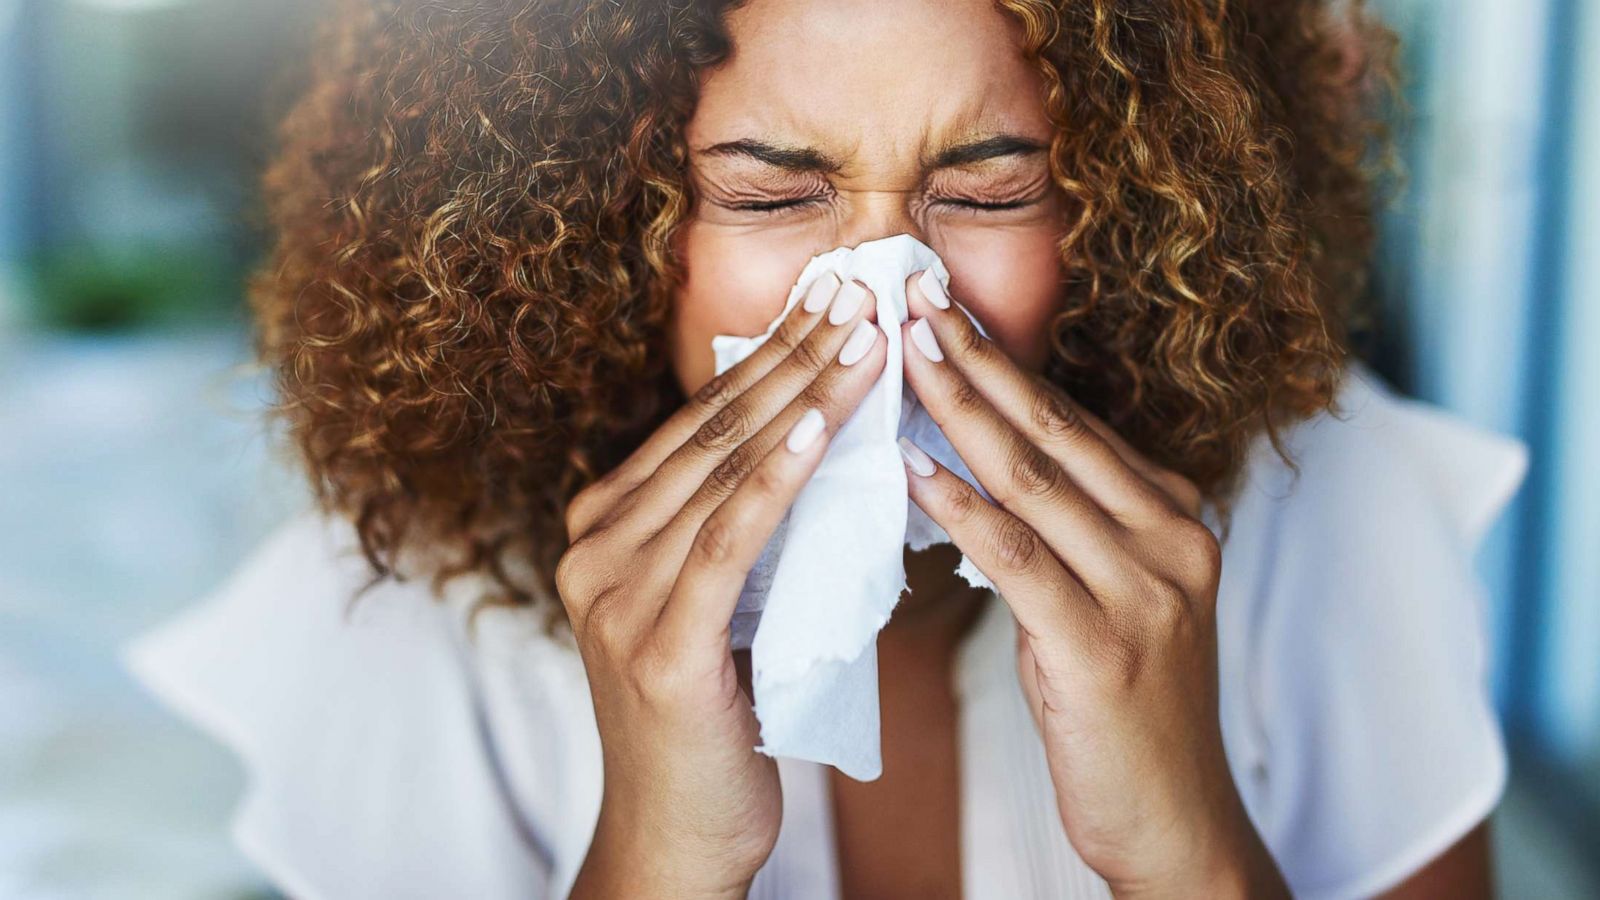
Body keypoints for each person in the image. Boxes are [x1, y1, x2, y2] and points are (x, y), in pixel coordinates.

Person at [126, 0, 1531, 897]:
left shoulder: (1326, 510)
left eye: (987, 190)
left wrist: (1185, 852)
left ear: (1117, 221)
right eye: (766, 194)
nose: (885, 291)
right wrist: (660, 861)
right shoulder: (413, 612)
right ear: (586, 226)